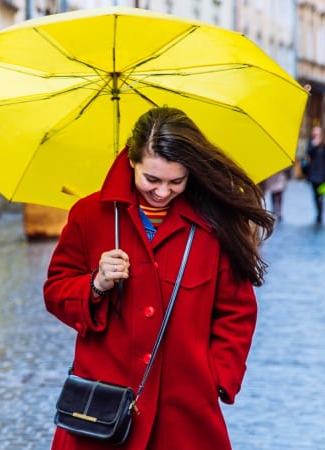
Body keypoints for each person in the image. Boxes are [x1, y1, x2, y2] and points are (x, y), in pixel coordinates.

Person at [43, 106, 274, 450]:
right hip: (102, 414)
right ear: (132, 162)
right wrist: (95, 284)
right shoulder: (90, 215)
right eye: (152, 179)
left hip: (184, 415)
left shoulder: (213, 225)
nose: (162, 192)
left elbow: (237, 311)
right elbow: (55, 292)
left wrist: (215, 378)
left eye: (175, 181)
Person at [305, 125, 325, 225]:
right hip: (313, 174)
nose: (316, 135)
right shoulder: (310, 144)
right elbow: (308, 154)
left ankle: (320, 214)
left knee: (321, 195)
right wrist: (313, 145)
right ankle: (318, 212)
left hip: (322, 174)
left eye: (318, 133)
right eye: (314, 133)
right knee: (315, 195)